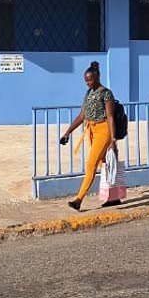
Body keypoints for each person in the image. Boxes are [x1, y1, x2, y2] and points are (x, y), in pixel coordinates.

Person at [59, 61, 120, 211]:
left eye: (90, 79)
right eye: (86, 80)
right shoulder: (89, 93)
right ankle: (115, 196)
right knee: (106, 163)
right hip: (91, 131)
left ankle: (79, 200)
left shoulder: (106, 93)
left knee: (91, 165)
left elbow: (111, 117)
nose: (88, 82)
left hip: (104, 131)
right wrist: (68, 132)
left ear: (97, 77)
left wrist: (113, 139)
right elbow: (82, 116)